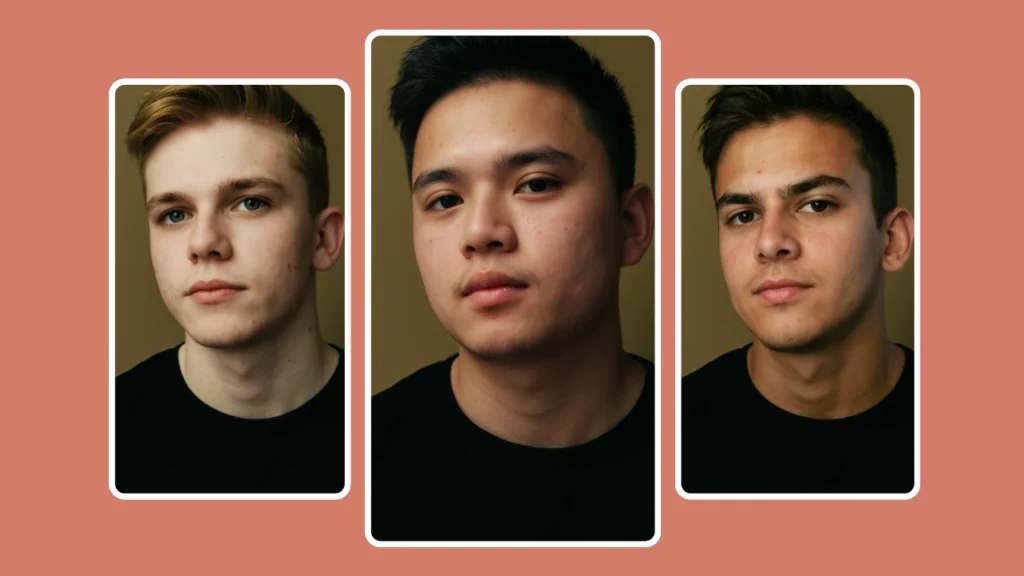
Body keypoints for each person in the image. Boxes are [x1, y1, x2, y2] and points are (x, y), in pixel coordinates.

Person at [371, 36, 656, 541]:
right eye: (445, 200)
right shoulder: (349, 463)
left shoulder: (712, 446)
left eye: (536, 184)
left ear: (630, 224)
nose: (482, 232)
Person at [680, 85, 915, 494]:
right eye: (744, 215)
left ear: (892, 240)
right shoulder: (663, 439)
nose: (770, 242)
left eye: (817, 205)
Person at [115, 85, 345, 494]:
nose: (204, 242)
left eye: (250, 203)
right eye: (175, 214)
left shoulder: (389, 432)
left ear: (323, 239)